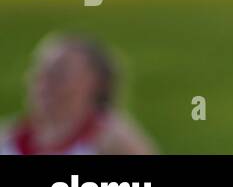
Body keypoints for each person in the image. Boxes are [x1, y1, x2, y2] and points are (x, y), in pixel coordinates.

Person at [1, 34, 156, 155]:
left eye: (60, 72)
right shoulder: (8, 137)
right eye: (40, 71)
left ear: (96, 82)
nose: (45, 82)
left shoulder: (111, 138)